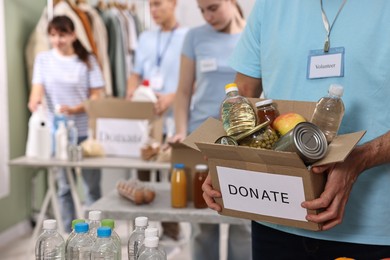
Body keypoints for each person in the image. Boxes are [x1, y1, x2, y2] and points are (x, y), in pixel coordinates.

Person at [202, 0, 390, 259]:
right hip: (275, 218)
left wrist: (359, 159)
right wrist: (225, 157)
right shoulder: (270, 5)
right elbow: (243, 93)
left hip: (373, 231)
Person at [171, 0, 251, 259]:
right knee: (203, 221)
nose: (207, 16)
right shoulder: (194, 37)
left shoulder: (252, 35)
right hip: (200, 139)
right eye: (202, 10)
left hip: (242, 140)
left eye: (213, 7)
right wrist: (181, 131)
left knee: (244, 220)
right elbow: (183, 92)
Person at [28, 15, 104, 233]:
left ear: (73, 35)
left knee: (91, 186)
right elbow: (37, 89)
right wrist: (34, 103)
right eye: (52, 35)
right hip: (57, 133)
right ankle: (69, 233)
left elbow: (97, 96)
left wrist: (76, 109)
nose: (57, 40)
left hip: (84, 132)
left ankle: (95, 233)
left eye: (61, 34)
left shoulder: (87, 60)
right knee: (63, 186)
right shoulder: (43, 60)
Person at [126, 0, 187, 130]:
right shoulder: (145, 37)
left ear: (173, 3)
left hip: (177, 120)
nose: (153, 10)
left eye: (157, 4)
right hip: (148, 120)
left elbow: (196, 81)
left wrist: (172, 97)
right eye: (150, 5)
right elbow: (135, 74)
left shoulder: (187, 37)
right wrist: (131, 91)